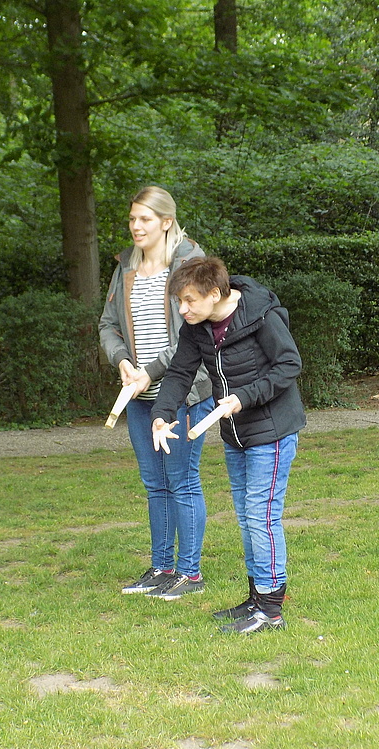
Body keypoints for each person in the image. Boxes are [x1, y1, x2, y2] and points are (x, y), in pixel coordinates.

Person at [150, 256, 305, 633]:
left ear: (215, 294)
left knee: (261, 515)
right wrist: (161, 415)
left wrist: (244, 397)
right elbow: (180, 373)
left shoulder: (260, 315)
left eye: (189, 300)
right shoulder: (197, 327)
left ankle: (271, 611)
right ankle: (256, 597)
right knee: (247, 516)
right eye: (180, 301)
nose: (183, 309)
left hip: (272, 428)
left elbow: (289, 364)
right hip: (236, 433)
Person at [99, 186, 217, 600]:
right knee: (155, 484)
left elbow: (192, 332)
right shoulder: (126, 267)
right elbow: (108, 325)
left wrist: (149, 372)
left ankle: (190, 574)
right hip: (140, 395)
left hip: (184, 393)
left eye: (145, 219)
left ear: (167, 222)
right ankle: (162, 567)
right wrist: (123, 363)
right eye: (132, 219)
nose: (136, 226)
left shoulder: (190, 264)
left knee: (182, 480)